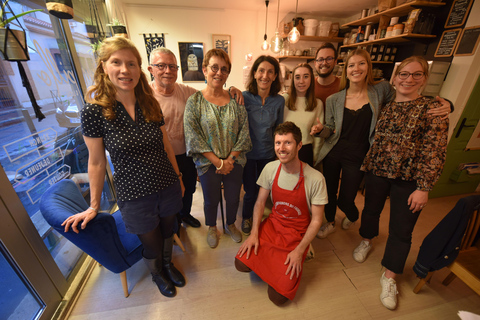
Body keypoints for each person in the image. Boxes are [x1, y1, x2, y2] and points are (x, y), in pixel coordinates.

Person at [61, 37, 186, 298]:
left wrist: (178, 176)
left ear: (139, 70)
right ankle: (156, 273)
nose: (124, 70)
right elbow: (95, 162)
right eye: (116, 62)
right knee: (150, 242)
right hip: (134, 192)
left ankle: (167, 264)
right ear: (104, 66)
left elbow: (166, 144)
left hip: (166, 182)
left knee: (168, 230)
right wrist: (94, 205)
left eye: (131, 63)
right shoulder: (94, 112)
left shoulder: (150, 102)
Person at [311, 49, 451, 239]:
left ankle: (352, 215)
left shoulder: (381, 90)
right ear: (346, 70)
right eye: (351, 65)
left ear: (368, 66)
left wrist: (448, 104)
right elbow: (330, 129)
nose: (356, 68)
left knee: (346, 199)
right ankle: (330, 222)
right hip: (334, 152)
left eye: (361, 63)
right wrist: (321, 131)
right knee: (327, 192)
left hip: (359, 155)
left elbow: (408, 95)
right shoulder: (334, 99)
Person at [352, 56, 448, 310]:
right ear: (394, 79)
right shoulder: (385, 102)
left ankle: (390, 275)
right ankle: (366, 239)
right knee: (370, 210)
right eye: (404, 74)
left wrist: (424, 187)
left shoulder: (432, 109)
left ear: (425, 80)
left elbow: (435, 150)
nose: (409, 79)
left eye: (417, 75)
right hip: (377, 170)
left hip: (410, 179)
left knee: (402, 229)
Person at [147, 48, 244, 230]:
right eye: (161, 66)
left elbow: (212, 90)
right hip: (160, 157)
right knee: (168, 194)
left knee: (188, 188)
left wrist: (232, 88)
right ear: (151, 69)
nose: (167, 71)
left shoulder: (186, 92)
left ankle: (185, 215)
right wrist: (217, 162)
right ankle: (171, 226)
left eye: (172, 66)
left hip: (185, 154)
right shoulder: (145, 97)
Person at [235, 121, 327, 306]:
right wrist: (254, 234)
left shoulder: (315, 178)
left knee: (277, 298)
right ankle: (273, 265)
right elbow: (260, 202)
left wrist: (299, 250)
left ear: (299, 145)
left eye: (287, 143)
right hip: (273, 226)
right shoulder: (271, 168)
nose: (281, 148)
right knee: (241, 264)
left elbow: (317, 220)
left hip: (296, 234)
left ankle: (300, 253)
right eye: (278, 143)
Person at [184, 49, 252, 249]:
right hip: (207, 163)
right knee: (210, 199)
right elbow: (193, 135)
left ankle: (230, 224)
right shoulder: (194, 102)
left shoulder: (236, 100)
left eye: (224, 69)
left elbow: (244, 132)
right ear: (205, 70)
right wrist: (217, 162)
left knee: (232, 198)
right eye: (214, 67)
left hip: (234, 162)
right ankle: (213, 227)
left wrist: (229, 160)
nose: (219, 73)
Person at [241, 55, 284, 235]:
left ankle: (261, 216)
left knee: (264, 189)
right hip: (247, 155)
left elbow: (279, 129)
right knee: (250, 190)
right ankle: (246, 217)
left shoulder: (279, 101)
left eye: (270, 72)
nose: (265, 76)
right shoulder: (244, 97)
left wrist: (278, 155)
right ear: (255, 74)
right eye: (261, 71)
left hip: (268, 154)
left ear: (275, 76)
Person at [283, 63, 323, 167]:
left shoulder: (317, 104)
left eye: (306, 76)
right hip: (284, 150)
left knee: (304, 183)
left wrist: (315, 157)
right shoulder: (283, 100)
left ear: (311, 79)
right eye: (297, 77)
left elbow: (318, 136)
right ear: (293, 80)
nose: (301, 81)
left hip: (305, 151)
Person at [313, 42, 341, 107]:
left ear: (335, 62)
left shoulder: (343, 86)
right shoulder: (308, 86)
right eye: (320, 59)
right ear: (315, 63)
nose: (324, 63)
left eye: (329, 59)